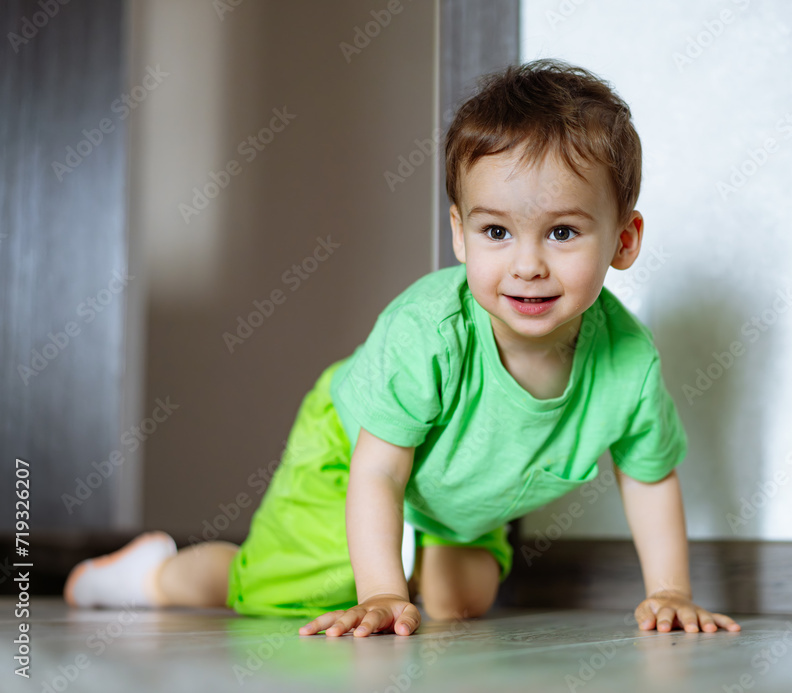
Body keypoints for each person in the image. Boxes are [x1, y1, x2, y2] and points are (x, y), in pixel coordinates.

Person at [63, 58, 741, 638]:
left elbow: (649, 475)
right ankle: (158, 573)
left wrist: (671, 590)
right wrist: (380, 594)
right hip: (353, 449)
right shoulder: (429, 333)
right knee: (287, 588)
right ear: (459, 233)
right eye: (497, 232)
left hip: (449, 493)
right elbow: (379, 474)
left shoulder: (629, 362)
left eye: (562, 233)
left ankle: (414, 555)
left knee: (457, 603)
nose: (527, 265)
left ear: (623, 240)